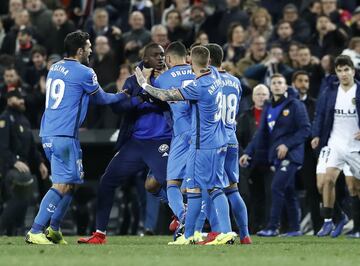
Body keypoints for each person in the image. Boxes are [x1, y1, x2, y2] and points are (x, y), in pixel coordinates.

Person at [25, 31, 128, 245]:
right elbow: (100, 98)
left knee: (70, 183)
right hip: (64, 135)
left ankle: (53, 229)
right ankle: (35, 230)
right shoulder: (84, 72)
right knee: (62, 184)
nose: (91, 49)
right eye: (89, 46)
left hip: (49, 133)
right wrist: (122, 95)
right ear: (80, 50)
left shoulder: (54, 67)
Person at [135, 46, 234, 245]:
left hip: (194, 139)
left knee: (175, 184)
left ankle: (187, 221)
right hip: (219, 136)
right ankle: (201, 233)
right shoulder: (213, 76)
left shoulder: (185, 83)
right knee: (202, 188)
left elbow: (162, 96)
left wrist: (143, 83)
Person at [77, 43, 172, 244]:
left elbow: (169, 103)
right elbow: (119, 107)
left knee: (171, 183)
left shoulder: (168, 79)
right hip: (136, 143)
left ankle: (187, 226)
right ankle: (100, 233)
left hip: (162, 140)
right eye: (156, 55)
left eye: (163, 55)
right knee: (107, 181)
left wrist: (149, 95)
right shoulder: (132, 81)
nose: (161, 58)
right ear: (145, 60)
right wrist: (140, 98)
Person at [240, 73, 311, 237]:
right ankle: (295, 228)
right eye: (274, 83)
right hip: (276, 156)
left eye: (280, 83)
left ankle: (273, 226)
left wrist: (287, 144)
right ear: (271, 87)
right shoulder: (269, 107)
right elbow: (261, 134)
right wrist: (249, 152)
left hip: (292, 155)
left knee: (276, 187)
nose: (277, 85)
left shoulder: (295, 105)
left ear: (285, 86)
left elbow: (305, 129)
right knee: (288, 191)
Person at [201, 43, 251, 244]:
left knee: (214, 189)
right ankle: (245, 235)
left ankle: (225, 234)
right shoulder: (235, 81)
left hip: (215, 139)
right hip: (232, 137)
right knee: (233, 189)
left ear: (209, 60)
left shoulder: (207, 81)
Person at [311, 55, 360, 238]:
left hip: (355, 146)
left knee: (355, 187)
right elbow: (320, 114)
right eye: (339, 70)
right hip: (334, 143)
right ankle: (329, 221)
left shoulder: (359, 91)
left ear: (353, 71)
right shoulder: (331, 92)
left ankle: (356, 226)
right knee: (324, 182)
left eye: (346, 70)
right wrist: (316, 134)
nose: (343, 74)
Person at [152, 41, 195, 236]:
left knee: (172, 184)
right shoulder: (201, 72)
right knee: (205, 185)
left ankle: (184, 218)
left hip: (182, 133)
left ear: (168, 59)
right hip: (205, 133)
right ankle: (218, 228)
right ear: (186, 57)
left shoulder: (163, 79)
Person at [0, 89, 48, 235]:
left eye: (23, 98)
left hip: (25, 168)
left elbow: (32, 147)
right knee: (25, 182)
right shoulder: (5, 119)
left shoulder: (24, 120)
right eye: (18, 98)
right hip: (8, 169)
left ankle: (33, 229)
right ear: (9, 100)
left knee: (47, 184)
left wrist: (40, 163)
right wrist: (14, 162)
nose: (22, 101)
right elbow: (2, 147)